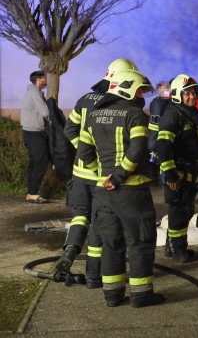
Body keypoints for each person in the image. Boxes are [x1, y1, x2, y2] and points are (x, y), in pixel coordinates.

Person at [76, 68, 165, 308]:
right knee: (139, 241)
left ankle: (113, 295)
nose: (141, 96)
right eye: (139, 91)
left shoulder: (94, 114)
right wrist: (117, 177)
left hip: (102, 194)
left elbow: (83, 152)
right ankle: (141, 294)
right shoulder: (135, 114)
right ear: (127, 89)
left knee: (110, 243)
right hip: (131, 192)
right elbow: (137, 150)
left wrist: (104, 177)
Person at [54, 58, 139, 288]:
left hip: (82, 173)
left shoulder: (85, 100)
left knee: (81, 215)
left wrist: (84, 154)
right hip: (105, 177)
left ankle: (70, 253)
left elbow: (69, 129)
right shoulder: (120, 104)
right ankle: (94, 276)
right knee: (101, 225)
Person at [156, 74, 198, 263]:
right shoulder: (173, 115)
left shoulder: (191, 113)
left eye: (194, 93)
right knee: (178, 212)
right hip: (177, 174)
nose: (192, 97)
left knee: (186, 210)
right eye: (187, 94)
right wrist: (171, 176)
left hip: (190, 172)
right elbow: (163, 146)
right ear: (177, 95)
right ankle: (179, 251)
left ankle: (172, 247)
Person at [21, 70, 51, 204]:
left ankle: (31, 193)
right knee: (42, 161)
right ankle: (33, 193)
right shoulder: (34, 93)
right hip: (33, 133)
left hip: (30, 132)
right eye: (45, 77)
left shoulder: (34, 92)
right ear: (39, 79)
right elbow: (45, 112)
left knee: (34, 162)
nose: (47, 79)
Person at [147, 81, 171, 153]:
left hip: (161, 143)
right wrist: (153, 146)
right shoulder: (158, 103)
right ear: (159, 91)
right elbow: (155, 126)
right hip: (158, 145)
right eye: (166, 89)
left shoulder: (160, 102)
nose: (168, 91)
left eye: (168, 89)